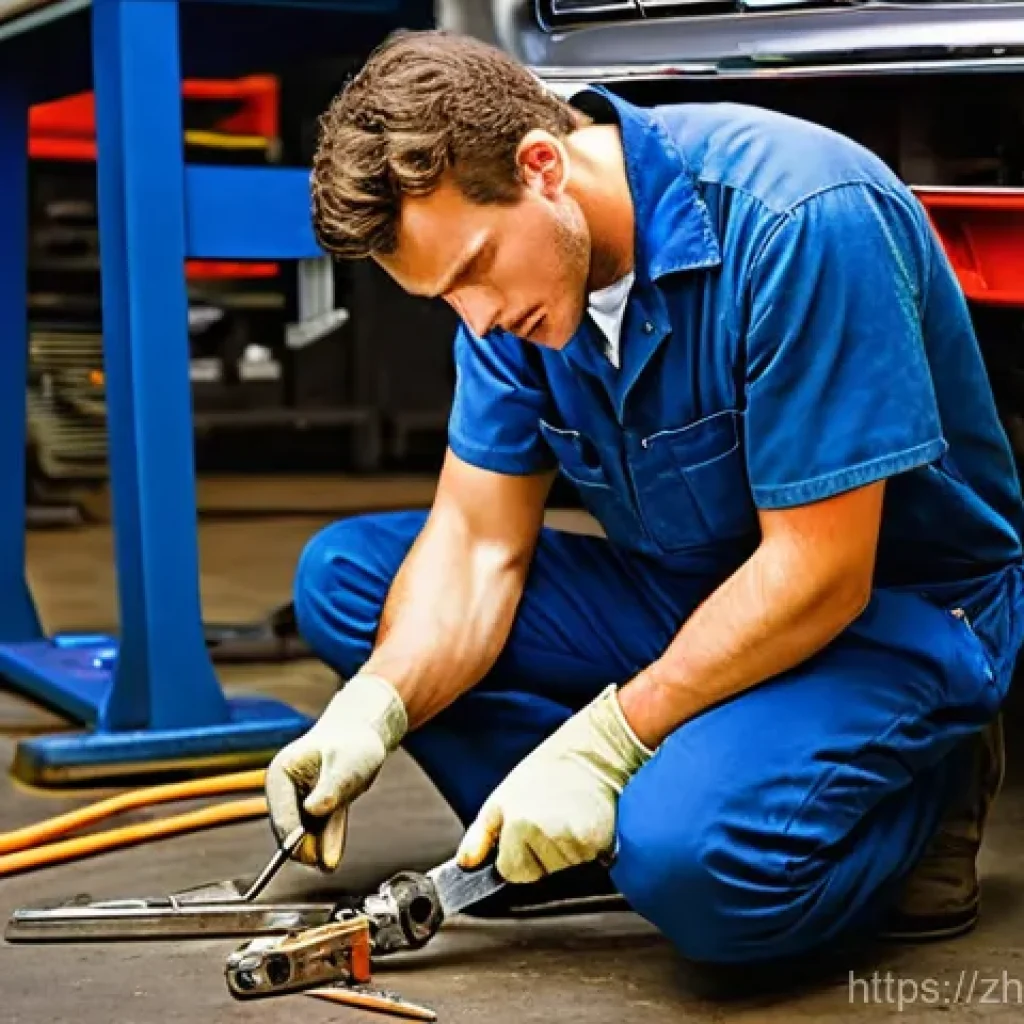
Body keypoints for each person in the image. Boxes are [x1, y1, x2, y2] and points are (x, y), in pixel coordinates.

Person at [264, 29, 1024, 964]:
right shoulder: (514, 289)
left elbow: (821, 571)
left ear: (541, 165)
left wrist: (610, 742)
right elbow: (475, 546)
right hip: (698, 591)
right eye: (443, 300)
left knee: (696, 871)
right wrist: (373, 707)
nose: (479, 320)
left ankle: (918, 796)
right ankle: (583, 841)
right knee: (349, 580)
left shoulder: (799, 217)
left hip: (883, 616)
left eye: (472, 274)